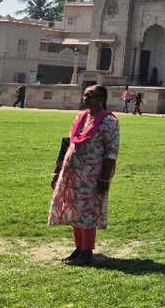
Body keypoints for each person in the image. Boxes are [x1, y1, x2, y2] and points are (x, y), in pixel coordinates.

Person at [49, 84, 119, 266]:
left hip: (92, 175)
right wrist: (58, 171)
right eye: (85, 96)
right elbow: (68, 144)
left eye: (90, 96)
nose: (85, 99)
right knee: (74, 208)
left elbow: (112, 151)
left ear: (101, 99)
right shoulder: (81, 118)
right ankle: (79, 248)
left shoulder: (109, 121)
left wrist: (104, 178)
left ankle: (87, 251)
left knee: (87, 210)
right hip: (72, 173)